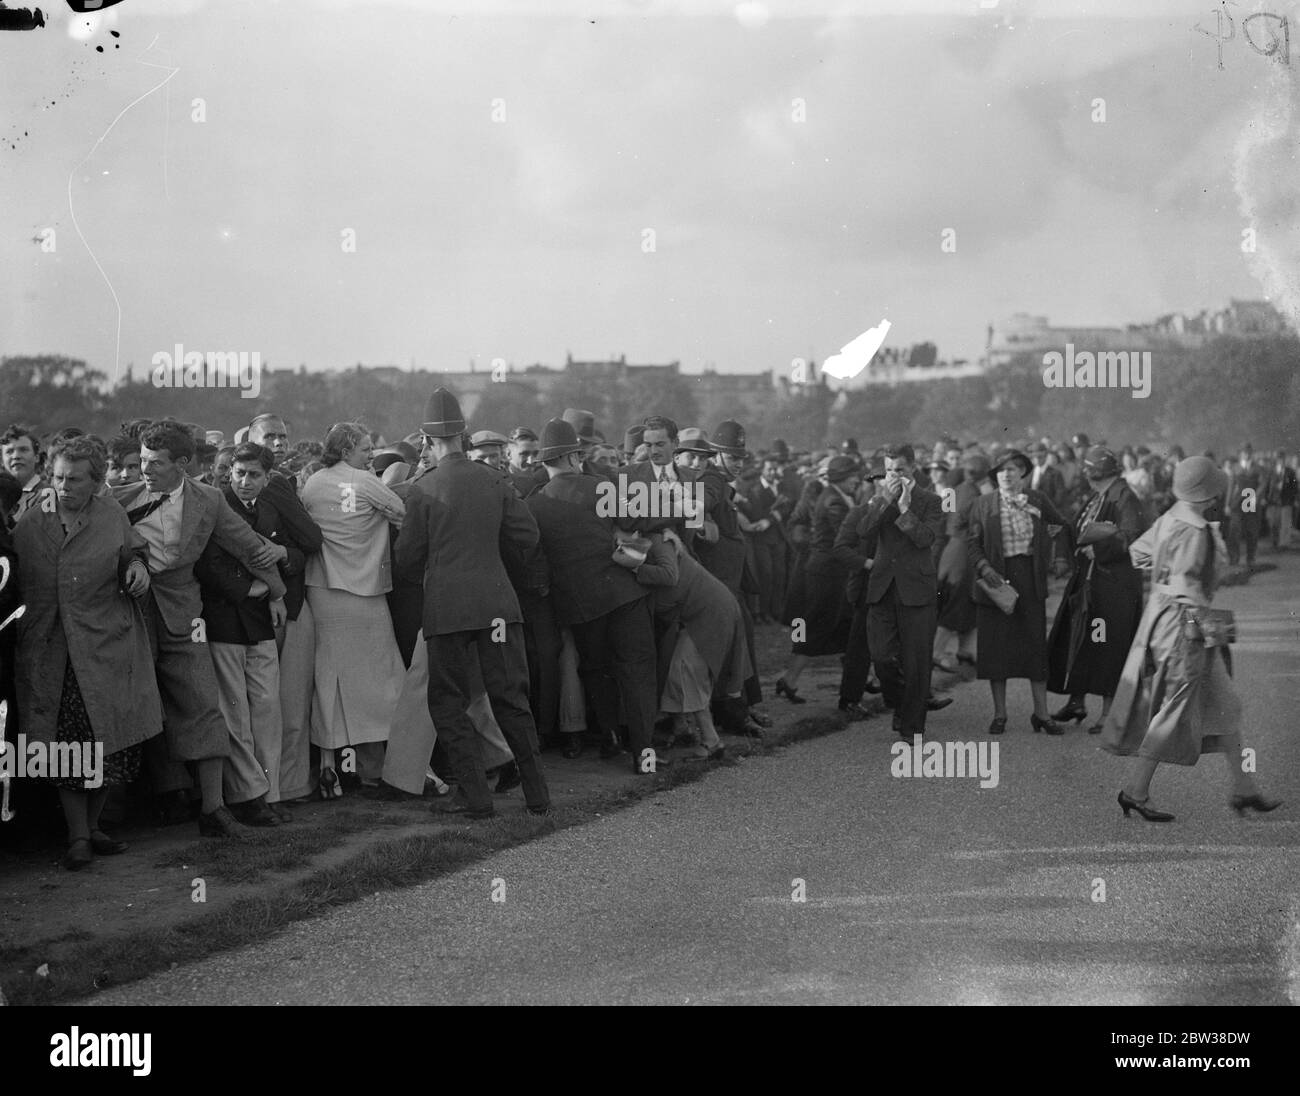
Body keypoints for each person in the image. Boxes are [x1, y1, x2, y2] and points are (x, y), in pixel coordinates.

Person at [109, 419, 287, 837]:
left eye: (155, 463)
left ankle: (214, 809)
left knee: (203, 702)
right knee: (124, 702)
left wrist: (277, 592)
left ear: (184, 464)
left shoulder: (208, 499)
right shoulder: (116, 499)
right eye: (143, 461)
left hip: (184, 612)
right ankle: (115, 814)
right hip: (128, 611)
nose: (145, 470)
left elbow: (247, 543)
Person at [393, 387, 549, 818]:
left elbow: (407, 561)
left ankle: (477, 798)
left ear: (427, 440)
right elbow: (529, 536)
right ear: (464, 436)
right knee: (510, 700)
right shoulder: (494, 479)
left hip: (446, 610)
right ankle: (537, 795)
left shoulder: (423, 489)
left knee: (448, 703)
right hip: (498, 606)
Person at [1102, 456, 1281, 822]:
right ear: (1210, 492)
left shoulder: (1170, 518)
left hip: (1166, 619)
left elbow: (1138, 554)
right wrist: (1211, 611)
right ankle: (1135, 792)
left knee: (1226, 704)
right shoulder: (1197, 530)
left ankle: (1244, 789)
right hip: (1188, 626)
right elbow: (1189, 588)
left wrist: (1166, 577)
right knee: (1174, 707)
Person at [13, 436, 163, 869]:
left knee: (109, 740)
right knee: (68, 743)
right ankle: (78, 836)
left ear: (97, 483)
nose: (64, 486)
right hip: (51, 648)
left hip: (105, 644)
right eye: (59, 477)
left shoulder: (111, 513)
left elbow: (134, 552)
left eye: (75, 479)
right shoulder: (32, 519)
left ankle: (93, 826)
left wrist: (136, 570)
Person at [527, 418, 662, 774]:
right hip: (623, 594)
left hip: (580, 605)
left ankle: (610, 737)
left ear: (544, 462)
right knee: (637, 672)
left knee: (597, 670)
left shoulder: (535, 503)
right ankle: (643, 752)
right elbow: (642, 521)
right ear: (574, 456)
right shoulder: (600, 486)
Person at [194, 442, 303, 824]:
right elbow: (210, 566)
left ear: (267, 477)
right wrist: (263, 589)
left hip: (261, 623)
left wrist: (280, 556)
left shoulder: (270, 509)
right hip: (226, 619)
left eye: (253, 474)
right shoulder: (213, 507)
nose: (244, 481)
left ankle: (270, 793)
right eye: (238, 473)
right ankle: (247, 796)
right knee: (235, 713)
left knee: (267, 710)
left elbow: (298, 551)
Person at [300, 422, 405, 798]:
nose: (370, 456)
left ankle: (330, 768)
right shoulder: (365, 481)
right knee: (384, 679)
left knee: (329, 680)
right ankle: (386, 769)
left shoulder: (312, 483)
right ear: (346, 452)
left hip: (323, 591)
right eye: (365, 449)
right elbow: (401, 512)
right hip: (364, 593)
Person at [616, 526, 749, 760]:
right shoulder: (655, 540)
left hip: (710, 612)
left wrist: (635, 568)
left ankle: (712, 742)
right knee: (677, 670)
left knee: (686, 671)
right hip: (701, 612)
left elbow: (670, 576)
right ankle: (682, 728)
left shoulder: (658, 541)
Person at [247, 412, 325, 804]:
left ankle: (281, 787)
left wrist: (284, 553)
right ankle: (279, 787)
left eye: (282, 436)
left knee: (280, 705)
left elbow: (306, 542)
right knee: (280, 705)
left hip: (278, 605)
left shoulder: (278, 484)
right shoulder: (269, 484)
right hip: (273, 606)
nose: (278, 443)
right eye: (269, 437)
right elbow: (311, 538)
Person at [967, 448, 1072, 736]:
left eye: (1013, 469)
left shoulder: (1037, 500)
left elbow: (1060, 526)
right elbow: (972, 542)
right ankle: (1000, 714)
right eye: (1001, 470)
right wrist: (984, 566)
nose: (1007, 475)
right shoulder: (983, 504)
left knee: (1034, 648)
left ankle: (1041, 714)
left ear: (1023, 472)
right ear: (995, 476)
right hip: (996, 579)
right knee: (996, 649)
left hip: (1030, 578)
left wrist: (1058, 555)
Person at [1046, 447, 1144, 734]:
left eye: (1087, 470)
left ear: (1095, 472)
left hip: (1113, 586)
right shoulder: (1100, 495)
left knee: (1108, 646)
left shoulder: (1124, 496)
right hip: (1091, 582)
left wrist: (1098, 548)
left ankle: (1108, 714)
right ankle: (1077, 702)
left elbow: (1132, 536)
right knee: (1081, 640)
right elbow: (1079, 525)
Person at [853, 444, 944, 739]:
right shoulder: (878, 498)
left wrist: (904, 508)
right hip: (882, 587)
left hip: (917, 588)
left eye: (900, 470)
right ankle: (900, 704)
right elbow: (863, 532)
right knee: (881, 657)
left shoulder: (930, 500)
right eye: (890, 470)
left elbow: (926, 538)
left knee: (916, 662)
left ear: (913, 468)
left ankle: (912, 727)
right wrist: (884, 502)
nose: (894, 475)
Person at [774, 456, 860, 706]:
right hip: (820, 567)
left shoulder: (842, 495)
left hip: (830, 567)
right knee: (813, 624)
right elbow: (800, 525)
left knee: (843, 624)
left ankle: (856, 681)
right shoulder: (823, 496)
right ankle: (790, 678)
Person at [932, 451, 991, 673]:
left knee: (968, 602)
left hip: (952, 549)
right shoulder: (976, 494)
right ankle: (936, 652)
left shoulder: (955, 490)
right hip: (965, 553)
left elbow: (945, 519)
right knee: (958, 602)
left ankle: (966, 650)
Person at [739, 454, 794, 623]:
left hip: (779, 538)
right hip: (762, 539)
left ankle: (776, 610)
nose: (773, 472)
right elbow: (756, 514)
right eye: (769, 469)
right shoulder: (755, 490)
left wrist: (775, 515)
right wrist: (773, 516)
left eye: (775, 469)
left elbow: (788, 507)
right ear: (762, 471)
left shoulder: (781, 487)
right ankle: (764, 612)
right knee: (766, 575)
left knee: (780, 574)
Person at [2, 424, 48, 523]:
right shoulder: (2, 496)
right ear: (1, 461)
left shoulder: (47, 494)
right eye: (9, 451)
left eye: (23, 450)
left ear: (37, 457)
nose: (16, 456)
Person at [1264, 448, 1297, 550]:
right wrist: (1265, 497)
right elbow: (1267, 485)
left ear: (1284, 459)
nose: (1280, 460)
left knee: (1285, 523)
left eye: (1282, 458)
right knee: (1274, 522)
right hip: (1273, 500)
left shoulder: (1290, 472)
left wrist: (1292, 499)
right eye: (1278, 458)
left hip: (1286, 500)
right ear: (1276, 459)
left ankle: (1284, 544)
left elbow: (1294, 486)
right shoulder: (1271, 471)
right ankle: (1275, 541)